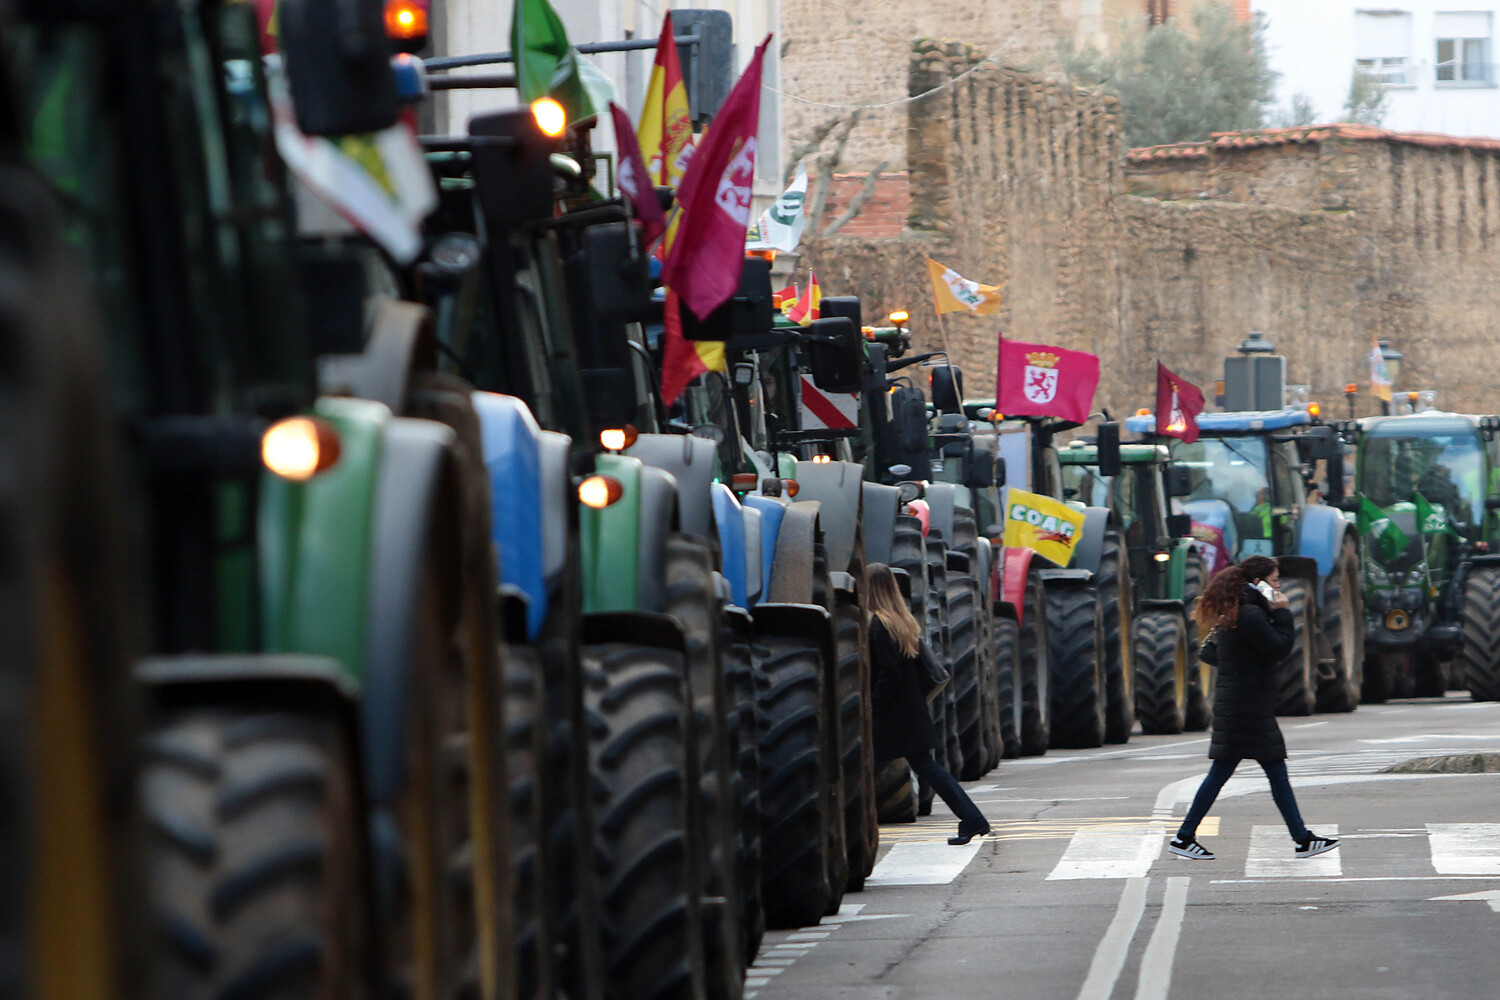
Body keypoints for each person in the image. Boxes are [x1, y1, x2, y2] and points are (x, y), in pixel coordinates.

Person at [1168, 555, 1340, 861]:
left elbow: (1214, 654)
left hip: (1241, 704)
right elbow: (1280, 648)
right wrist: (1283, 612)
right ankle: (1301, 840)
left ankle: (1185, 837)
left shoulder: (1237, 609)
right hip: (1247, 707)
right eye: (1275, 581)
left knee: (1233, 773)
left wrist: (1242, 665)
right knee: (1269, 773)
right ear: (1259, 583)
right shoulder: (1250, 613)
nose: (1279, 586)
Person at [865, 563, 990, 846]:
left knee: (864, 768)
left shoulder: (879, 625)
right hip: (910, 712)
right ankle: (972, 819)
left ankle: (973, 819)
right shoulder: (903, 621)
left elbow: (890, 674)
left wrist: (871, 707)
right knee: (928, 768)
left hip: (893, 717)